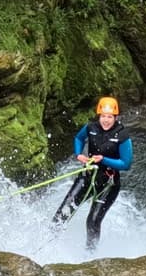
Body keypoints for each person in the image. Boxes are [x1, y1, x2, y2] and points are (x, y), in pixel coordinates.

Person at [53, 96, 134, 249]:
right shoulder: (91, 128)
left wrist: (103, 159)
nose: (106, 120)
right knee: (62, 214)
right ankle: (48, 243)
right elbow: (78, 138)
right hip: (88, 176)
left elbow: (126, 163)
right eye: (103, 116)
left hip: (108, 184)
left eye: (110, 117)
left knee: (92, 221)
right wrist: (78, 154)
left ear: (115, 117)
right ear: (99, 115)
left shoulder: (122, 135)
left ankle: (90, 255)